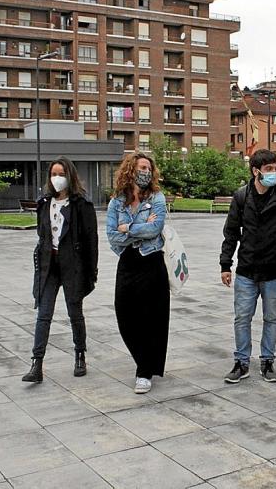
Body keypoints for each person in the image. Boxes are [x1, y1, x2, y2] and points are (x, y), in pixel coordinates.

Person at [220, 149, 276, 384]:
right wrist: (225, 264)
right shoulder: (241, 196)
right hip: (247, 269)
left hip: (275, 269)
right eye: (268, 169)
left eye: (275, 168)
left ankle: (267, 360)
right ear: (255, 171)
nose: (274, 173)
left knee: (272, 317)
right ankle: (241, 362)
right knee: (242, 317)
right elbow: (231, 233)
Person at [22, 157, 98, 383]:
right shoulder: (44, 203)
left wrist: (91, 272)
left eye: (61, 174)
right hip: (48, 267)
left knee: (75, 314)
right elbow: (42, 235)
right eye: (54, 174)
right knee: (43, 315)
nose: (57, 179)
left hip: (73, 266)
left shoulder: (81, 206)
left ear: (70, 176)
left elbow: (91, 241)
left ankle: (80, 355)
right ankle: (37, 363)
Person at [107, 152, 169, 394]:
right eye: (142, 167)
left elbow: (155, 228)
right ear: (130, 170)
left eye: (149, 169)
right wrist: (137, 229)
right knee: (125, 315)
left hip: (152, 261)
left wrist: (128, 228)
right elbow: (112, 236)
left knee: (152, 317)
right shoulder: (116, 202)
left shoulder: (157, 198)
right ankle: (144, 360)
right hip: (128, 262)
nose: (146, 172)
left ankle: (144, 371)